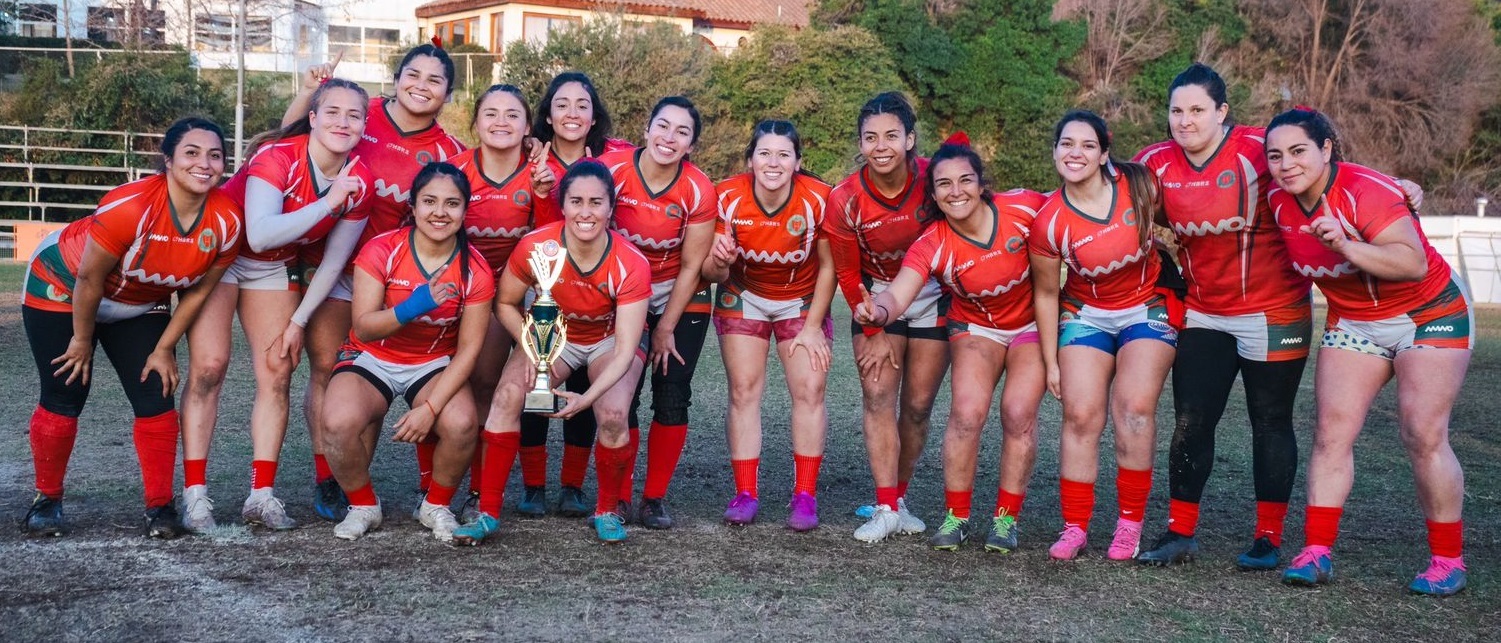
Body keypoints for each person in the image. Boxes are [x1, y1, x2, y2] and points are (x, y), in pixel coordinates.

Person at [1264, 107, 1473, 596]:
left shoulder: (1365, 190)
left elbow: (1412, 262)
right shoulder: (1275, 197)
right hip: (1355, 320)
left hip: (1430, 312)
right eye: (1275, 156)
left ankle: (1448, 560)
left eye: (1298, 152)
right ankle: (1316, 551)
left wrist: (1348, 247)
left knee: (1422, 433)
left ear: (1327, 149)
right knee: (1331, 432)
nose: (1286, 164)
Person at [22, 117, 242, 539]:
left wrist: (164, 347)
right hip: (62, 284)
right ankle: (46, 499)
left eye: (215, 155)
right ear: (168, 161)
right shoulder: (133, 204)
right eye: (191, 153)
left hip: (139, 302)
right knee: (66, 390)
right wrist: (82, 340)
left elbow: (196, 294)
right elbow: (89, 279)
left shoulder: (228, 220)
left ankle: (159, 507)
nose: (204, 164)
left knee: (155, 390)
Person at [1131, 64, 1311, 569]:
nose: (1185, 121)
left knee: (1270, 421)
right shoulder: (1153, 163)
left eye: (1197, 110)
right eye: (1176, 111)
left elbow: (1322, 168)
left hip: (1276, 310)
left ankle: (1269, 538)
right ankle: (1179, 532)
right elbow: (1105, 200)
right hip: (1205, 312)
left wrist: (1399, 185)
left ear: (1222, 112)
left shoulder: (1260, 149)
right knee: (1191, 420)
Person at [280, 43, 466, 518]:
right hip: (338, 268)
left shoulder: (450, 151)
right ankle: (330, 478)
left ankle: (386, 478)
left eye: (435, 80)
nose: (421, 86)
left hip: (403, 279)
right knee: (327, 367)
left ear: (447, 92)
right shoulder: (360, 115)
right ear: (397, 76)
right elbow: (292, 141)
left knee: (391, 368)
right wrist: (307, 92)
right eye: (413, 74)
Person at [180, 79, 374, 532]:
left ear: (365, 125)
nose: (342, 122)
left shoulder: (361, 180)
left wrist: (299, 320)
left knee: (279, 369)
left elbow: (333, 262)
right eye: (332, 112)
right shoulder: (277, 156)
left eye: (354, 115)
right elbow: (260, 232)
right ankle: (194, 496)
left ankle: (261, 495)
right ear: (312, 117)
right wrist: (329, 201)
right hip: (223, 253)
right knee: (209, 366)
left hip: (273, 268)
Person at [854, 134, 1048, 550]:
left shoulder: (1023, 208)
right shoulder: (933, 242)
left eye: (965, 181)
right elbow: (899, 292)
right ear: (934, 194)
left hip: (1030, 325)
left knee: (1018, 412)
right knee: (965, 413)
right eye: (944, 184)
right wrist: (878, 311)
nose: (955, 191)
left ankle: (1005, 521)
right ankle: (957, 516)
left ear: (981, 184)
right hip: (975, 328)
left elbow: (1074, 212)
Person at [452, 160, 651, 545]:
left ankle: (607, 510)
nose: (586, 212)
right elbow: (505, 303)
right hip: (554, 335)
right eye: (576, 201)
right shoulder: (537, 247)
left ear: (611, 207)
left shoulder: (631, 262)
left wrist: (587, 398)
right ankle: (488, 512)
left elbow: (626, 350)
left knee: (611, 413)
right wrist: (534, 348)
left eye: (596, 202)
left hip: (610, 341)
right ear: (563, 204)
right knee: (508, 394)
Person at [1029, 109, 1175, 562]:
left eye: (1088, 145)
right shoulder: (1049, 221)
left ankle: (1129, 525)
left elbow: (1186, 226)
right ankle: (1075, 527)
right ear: (1054, 152)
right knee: (1081, 415)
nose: (1076, 153)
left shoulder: (1140, 187)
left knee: (1133, 409)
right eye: (1067, 144)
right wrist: (1052, 361)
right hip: (1086, 313)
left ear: (1104, 154)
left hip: (1147, 306)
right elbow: (1048, 293)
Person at [320, 162, 493, 541]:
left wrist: (429, 410)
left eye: (452, 203)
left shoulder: (475, 270)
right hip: (372, 357)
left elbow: (469, 350)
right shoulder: (382, 249)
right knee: (336, 422)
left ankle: (436, 505)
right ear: (412, 206)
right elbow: (364, 325)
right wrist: (416, 305)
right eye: (429, 201)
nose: (440, 212)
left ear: (465, 211)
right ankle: (364, 505)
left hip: (431, 363)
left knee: (462, 423)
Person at [701, 120, 835, 530]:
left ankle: (805, 495)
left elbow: (830, 265)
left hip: (801, 298)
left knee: (809, 390)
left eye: (783, 154)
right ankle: (745, 493)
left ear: (798, 162)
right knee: (744, 391)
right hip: (742, 295)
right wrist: (719, 260)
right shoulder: (726, 196)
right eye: (764, 153)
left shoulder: (819, 197)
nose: (773, 162)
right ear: (750, 160)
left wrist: (813, 326)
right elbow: (709, 273)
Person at [826, 91, 948, 537]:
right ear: (860, 144)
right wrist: (872, 326)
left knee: (917, 408)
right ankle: (883, 508)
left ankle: (900, 496)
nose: (881, 145)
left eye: (891, 136)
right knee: (878, 396)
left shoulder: (937, 178)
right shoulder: (845, 198)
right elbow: (845, 271)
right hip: (874, 297)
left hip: (934, 294)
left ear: (910, 139)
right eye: (870, 137)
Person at [510, 71, 630, 518]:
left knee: (583, 388)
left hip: (598, 292)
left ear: (594, 114)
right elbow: (537, 231)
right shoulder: (530, 159)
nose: (572, 113)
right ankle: (534, 486)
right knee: (534, 387)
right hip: (543, 289)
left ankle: (574, 487)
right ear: (547, 114)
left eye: (582, 104)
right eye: (562, 104)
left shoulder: (614, 158)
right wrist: (540, 189)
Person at [596, 96, 718, 529]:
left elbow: (692, 265)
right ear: (646, 129)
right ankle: (620, 497)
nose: (670, 137)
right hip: (623, 292)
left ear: (691, 146)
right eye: (663, 126)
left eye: (682, 132)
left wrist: (666, 325)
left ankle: (653, 499)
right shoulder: (613, 169)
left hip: (679, 295)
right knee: (620, 393)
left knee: (672, 392)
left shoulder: (699, 188)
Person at [447, 84, 566, 520]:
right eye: (491, 113)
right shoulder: (456, 169)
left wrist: (541, 194)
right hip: (461, 292)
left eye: (512, 114)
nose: (501, 122)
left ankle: (487, 490)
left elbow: (554, 244)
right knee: (458, 385)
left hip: (517, 295)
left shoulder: (541, 171)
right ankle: (446, 487)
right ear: (475, 122)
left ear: (527, 127)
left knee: (499, 386)